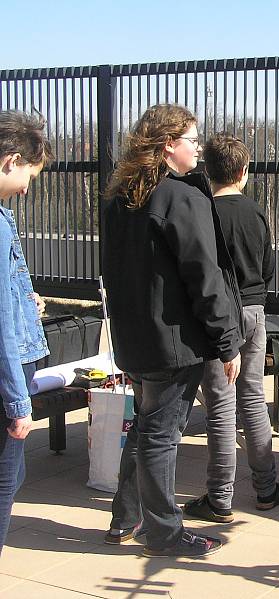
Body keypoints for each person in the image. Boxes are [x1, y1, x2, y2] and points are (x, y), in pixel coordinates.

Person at [102, 104, 243, 558]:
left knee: (146, 431)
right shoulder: (180, 198)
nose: (199, 147)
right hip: (173, 343)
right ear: (168, 145)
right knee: (160, 436)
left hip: (136, 338)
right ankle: (163, 533)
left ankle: (126, 519)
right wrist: (227, 341)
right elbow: (205, 277)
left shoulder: (120, 196)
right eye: (191, 139)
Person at [182, 134, 279, 523]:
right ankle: (266, 487)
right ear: (244, 172)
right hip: (254, 309)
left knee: (221, 405)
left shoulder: (202, 211)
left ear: (206, 171)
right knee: (252, 397)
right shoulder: (256, 213)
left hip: (218, 315)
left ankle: (220, 497)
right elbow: (266, 267)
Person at [0, 110, 51, 553]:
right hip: (7, 375)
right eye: (29, 175)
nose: (28, 186)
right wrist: (18, 403)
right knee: (6, 481)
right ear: (10, 161)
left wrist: (22, 299)